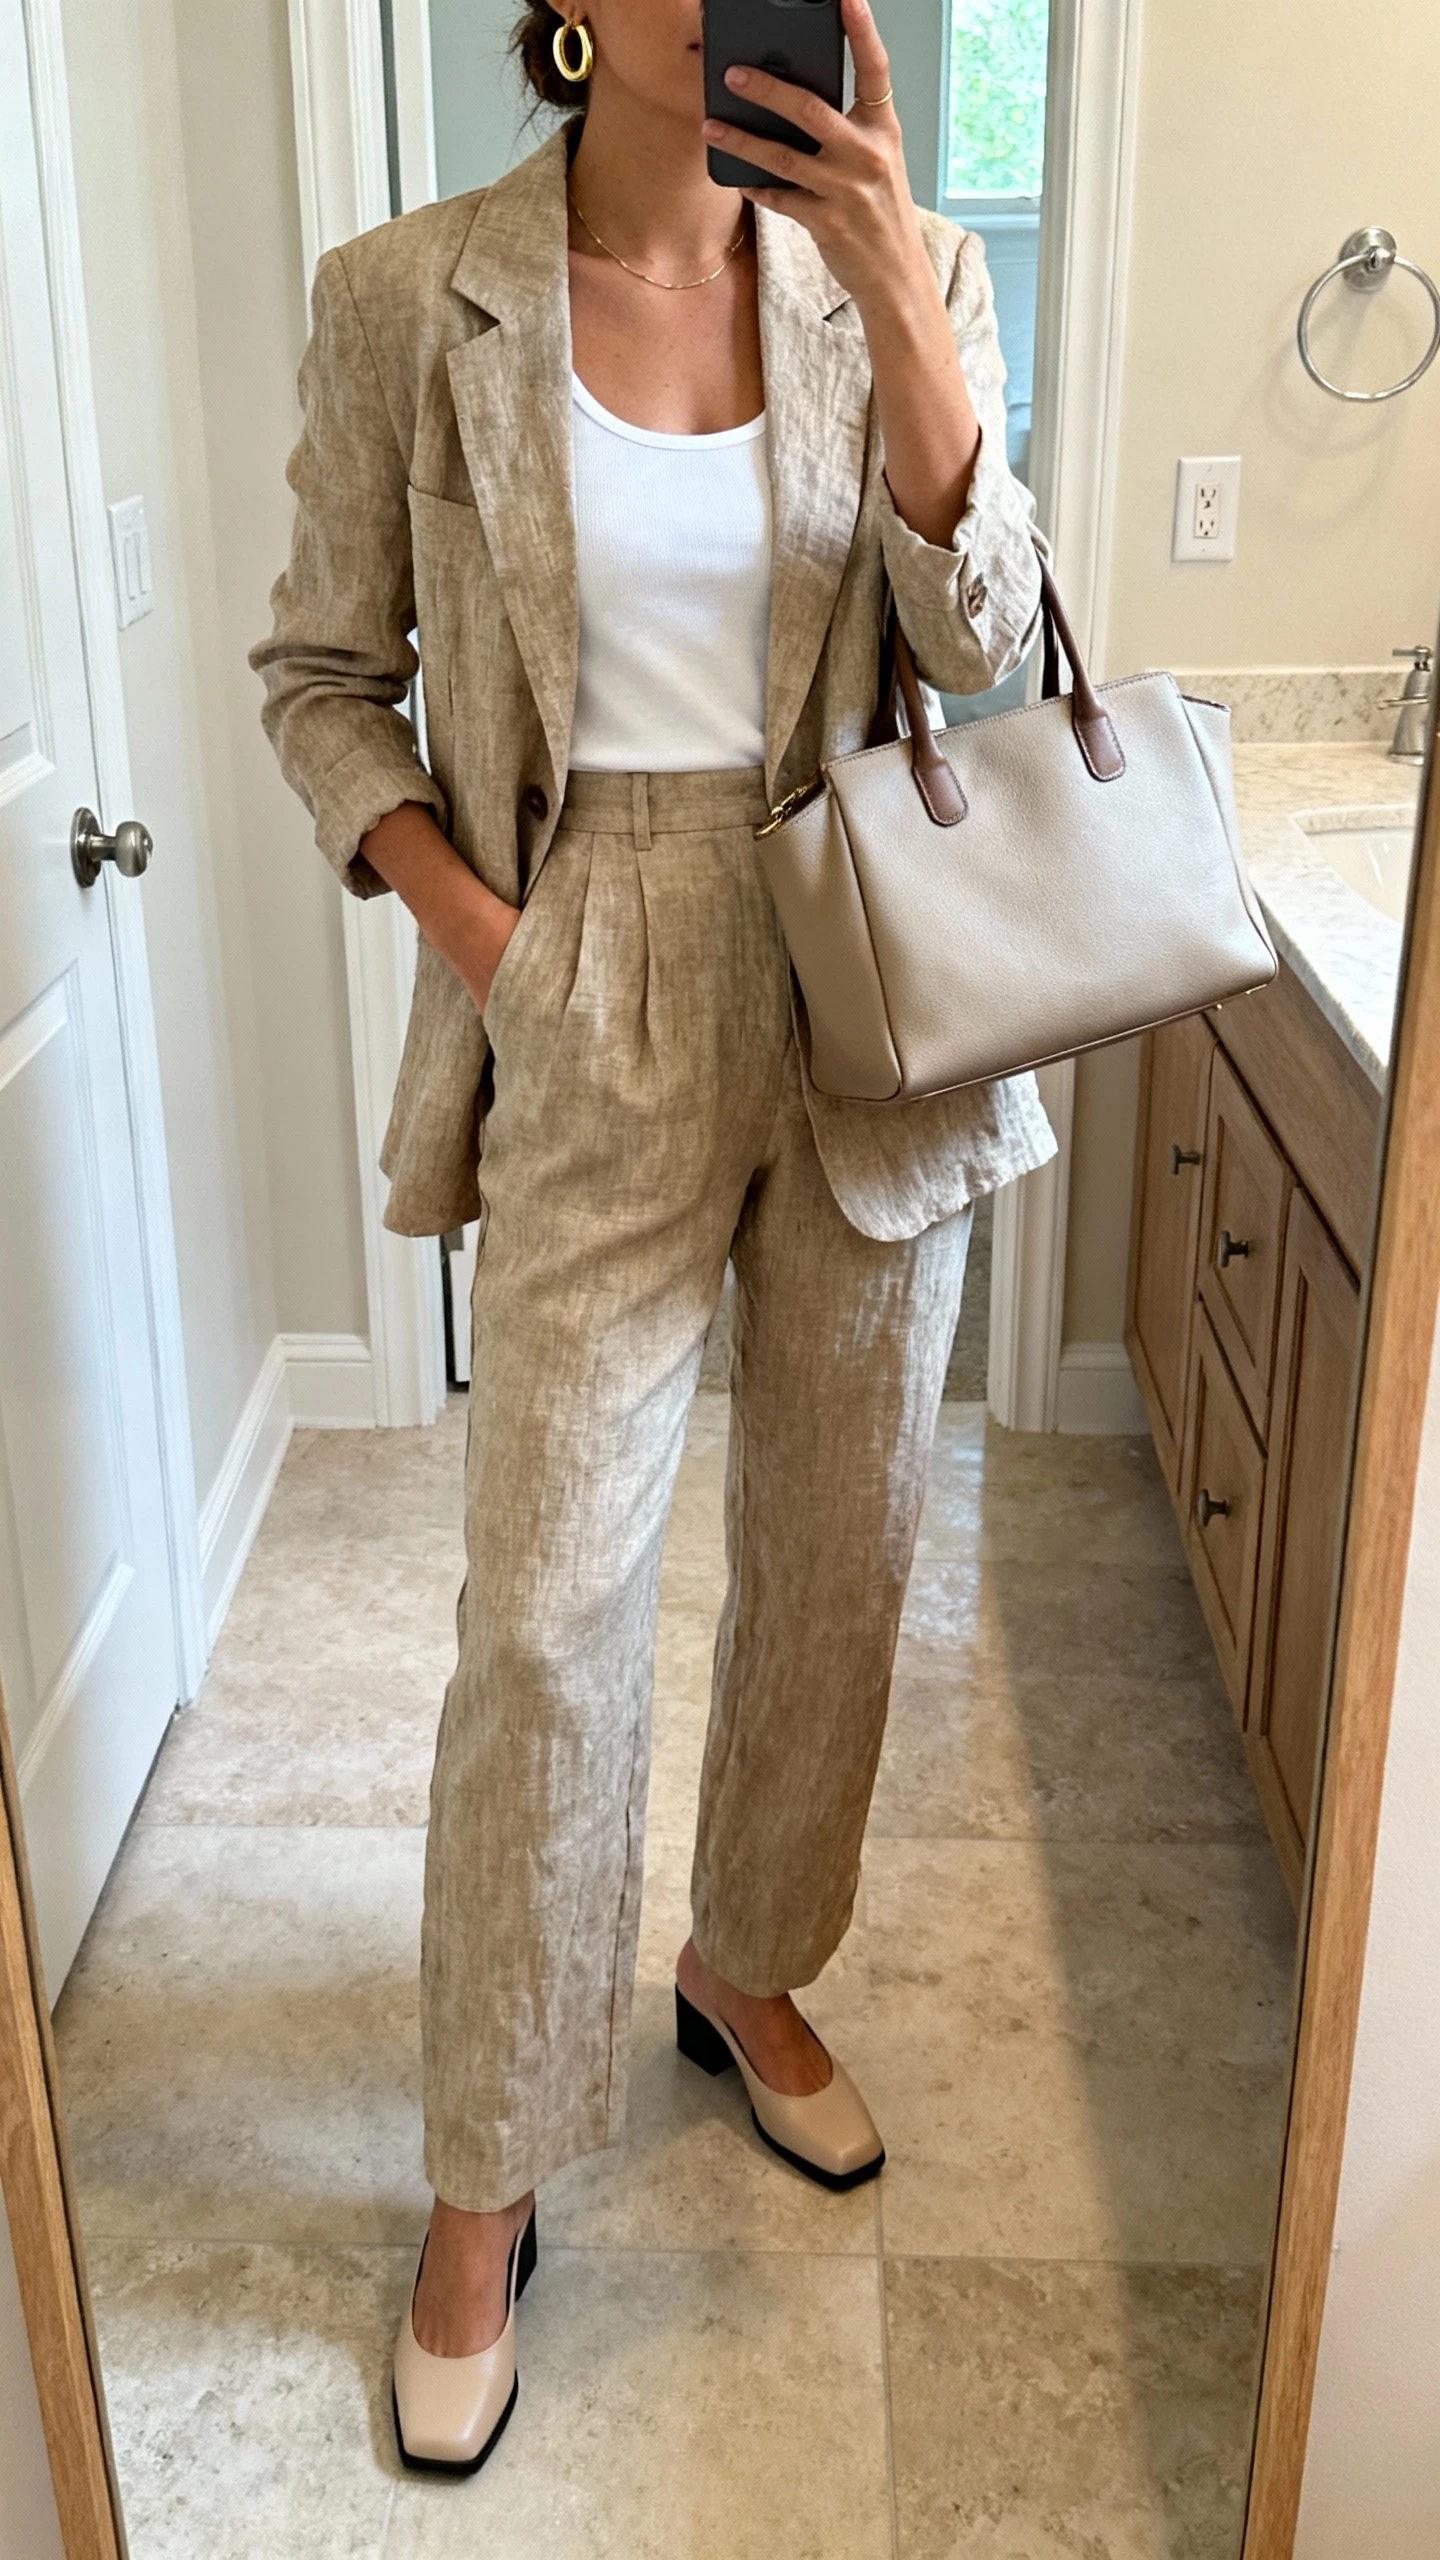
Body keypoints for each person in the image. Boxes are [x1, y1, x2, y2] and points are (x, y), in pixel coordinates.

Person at [251, 0, 1056, 2480]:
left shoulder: (893, 265)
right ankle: (487, 2160)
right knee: (541, 1612)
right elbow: (319, 681)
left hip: (860, 969)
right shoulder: (416, 292)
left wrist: (910, 315)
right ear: (572, 15)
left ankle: (740, 1962)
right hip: (582, 950)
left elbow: (986, 645)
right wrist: (501, 950)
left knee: (843, 1548)